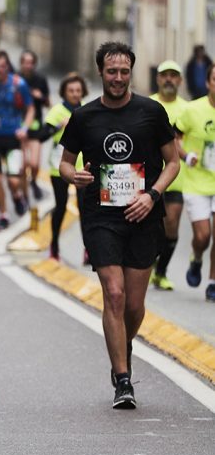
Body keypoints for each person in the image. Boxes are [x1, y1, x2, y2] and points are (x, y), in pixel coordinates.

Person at [59, 41, 179, 409]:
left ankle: (122, 343)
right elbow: (64, 162)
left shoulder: (152, 112)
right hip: (102, 216)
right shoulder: (84, 117)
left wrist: (153, 196)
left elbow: (173, 163)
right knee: (113, 294)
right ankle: (123, 379)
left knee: (134, 305)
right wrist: (73, 176)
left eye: (124, 71)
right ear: (101, 72)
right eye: (111, 71)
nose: (118, 78)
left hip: (143, 216)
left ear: (132, 72)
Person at [35, 73, 88, 261]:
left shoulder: (87, 111)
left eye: (78, 91)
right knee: (61, 206)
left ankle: (87, 249)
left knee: (85, 208)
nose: (75, 94)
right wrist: (59, 125)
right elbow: (41, 136)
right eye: (71, 91)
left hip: (83, 167)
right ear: (64, 92)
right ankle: (54, 245)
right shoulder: (57, 111)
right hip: (60, 167)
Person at [174, 63, 215, 302]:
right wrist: (186, 155)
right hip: (196, 182)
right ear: (208, 83)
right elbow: (175, 137)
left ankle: (212, 281)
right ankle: (197, 258)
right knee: (203, 236)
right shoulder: (192, 110)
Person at [0, 50, 34, 230]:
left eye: (3, 66)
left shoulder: (18, 84)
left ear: (8, 66)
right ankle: (3, 214)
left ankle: (17, 196)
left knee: (13, 180)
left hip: (13, 136)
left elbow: (30, 108)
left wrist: (24, 128)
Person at [149, 60, 188, 290]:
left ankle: (161, 272)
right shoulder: (147, 105)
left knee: (171, 224)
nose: (169, 80)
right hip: (150, 177)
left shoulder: (187, 109)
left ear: (180, 81)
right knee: (150, 226)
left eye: (174, 76)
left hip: (177, 177)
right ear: (158, 79)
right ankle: (145, 265)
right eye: (165, 75)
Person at [18, 50, 50, 203]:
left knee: (35, 163)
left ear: (34, 64)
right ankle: (24, 196)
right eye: (25, 62)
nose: (28, 65)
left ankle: (34, 181)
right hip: (20, 124)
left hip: (36, 125)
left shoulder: (40, 79)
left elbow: (48, 102)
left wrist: (41, 96)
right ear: (21, 63)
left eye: (31, 62)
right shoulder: (16, 80)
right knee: (23, 165)